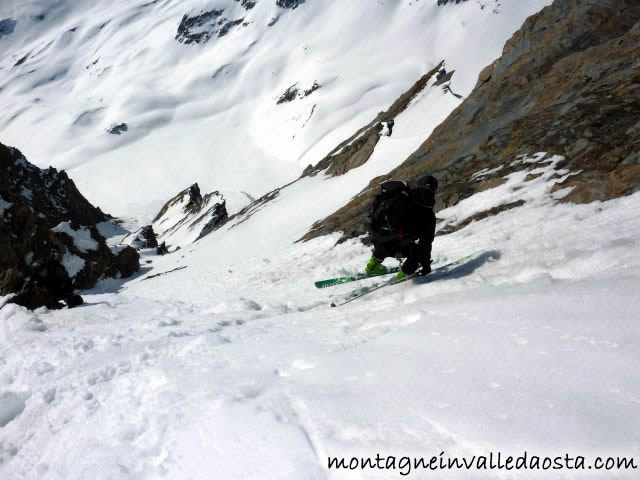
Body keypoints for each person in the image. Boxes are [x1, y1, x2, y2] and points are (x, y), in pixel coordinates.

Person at [365, 175, 438, 280]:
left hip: (378, 238)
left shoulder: (403, 197)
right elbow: (426, 243)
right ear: (434, 190)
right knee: (418, 250)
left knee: (390, 235)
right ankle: (405, 273)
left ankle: (372, 266)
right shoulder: (428, 214)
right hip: (396, 245)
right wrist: (426, 265)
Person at [11, 256, 83, 310]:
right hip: (43, 294)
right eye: (40, 272)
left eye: (44, 270)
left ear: (47, 268)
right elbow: (30, 285)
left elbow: (66, 286)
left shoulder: (57, 274)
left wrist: (65, 296)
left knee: (72, 300)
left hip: (57, 293)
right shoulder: (36, 276)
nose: (43, 272)